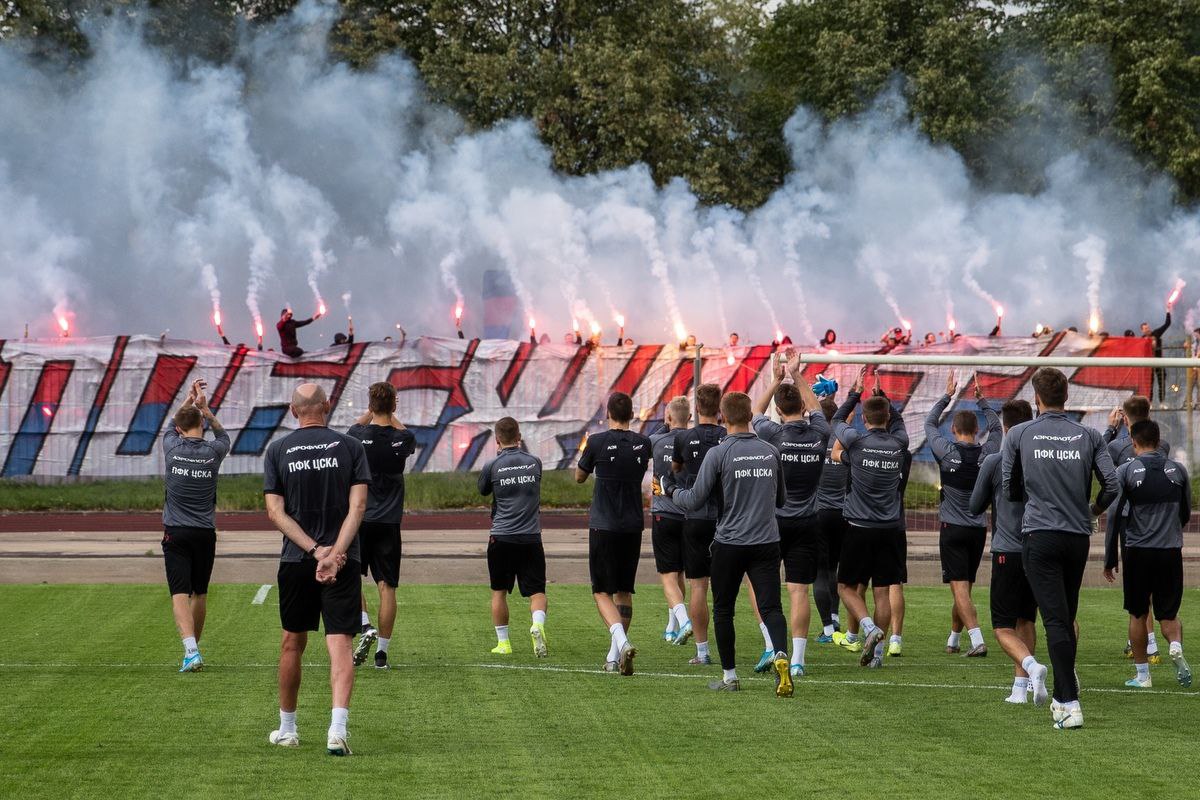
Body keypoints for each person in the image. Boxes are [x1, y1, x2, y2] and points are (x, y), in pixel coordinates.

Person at [1002, 367, 1118, 730]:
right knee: (1064, 617)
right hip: (1076, 537)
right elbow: (1112, 486)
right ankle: (1066, 687)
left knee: (1054, 620)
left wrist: (1036, 496)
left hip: (1040, 534)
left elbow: (1010, 488)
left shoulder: (1020, 433)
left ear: (1037, 398)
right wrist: (1092, 511)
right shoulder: (1089, 434)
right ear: (1066, 397)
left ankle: (1068, 702)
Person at [662, 392, 792, 696]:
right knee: (771, 606)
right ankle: (781, 655)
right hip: (766, 540)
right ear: (750, 415)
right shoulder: (770, 451)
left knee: (723, 609)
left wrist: (669, 490)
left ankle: (730, 676)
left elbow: (694, 499)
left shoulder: (719, 454)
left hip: (730, 542)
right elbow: (782, 500)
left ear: (723, 416)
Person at [264, 383, 371, 755]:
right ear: (327, 406)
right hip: (343, 560)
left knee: (292, 642)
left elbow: (275, 512)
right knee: (339, 642)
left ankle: (288, 728)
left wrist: (314, 551)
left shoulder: (277, 449)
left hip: (297, 560)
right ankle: (337, 730)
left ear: (294, 411)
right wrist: (335, 553)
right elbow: (358, 509)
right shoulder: (351, 447)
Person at [752, 354, 828, 677]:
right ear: (804, 408)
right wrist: (797, 376)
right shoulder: (819, 433)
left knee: (761, 586)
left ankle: (771, 645)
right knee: (799, 591)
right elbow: (820, 412)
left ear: (779, 412)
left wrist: (775, 378)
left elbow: (755, 412)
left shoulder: (773, 434)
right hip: (808, 522)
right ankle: (797, 660)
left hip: (775, 522)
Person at [970, 399, 1049, 705]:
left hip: (1006, 550)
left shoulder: (994, 461)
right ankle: (1020, 688)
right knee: (1026, 621)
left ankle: (1030, 667)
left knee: (1003, 626)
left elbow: (975, 506)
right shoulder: (1040, 462)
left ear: (1004, 427)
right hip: (1035, 546)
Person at [1105, 420, 1192, 689]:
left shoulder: (1127, 470)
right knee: (1168, 614)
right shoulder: (1178, 471)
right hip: (1169, 552)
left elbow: (1114, 515)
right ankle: (1175, 645)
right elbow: (1186, 511)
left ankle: (1143, 675)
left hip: (1139, 553)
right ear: (1158, 441)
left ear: (1134, 442)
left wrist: (1110, 558)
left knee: (1138, 614)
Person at [832, 370, 910, 668]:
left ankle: (869, 628)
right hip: (890, 529)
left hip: (859, 527)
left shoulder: (857, 444)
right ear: (887, 419)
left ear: (864, 420)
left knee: (845, 588)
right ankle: (877, 656)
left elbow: (837, 420)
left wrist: (855, 393)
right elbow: (900, 424)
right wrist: (885, 399)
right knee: (882, 592)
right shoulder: (898, 445)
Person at [924, 373, 1001, 658]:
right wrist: (982, 399)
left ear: (954, 429)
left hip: (953, 529)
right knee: (964, 587)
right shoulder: (989, 453)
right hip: (979, 529)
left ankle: (977, 638)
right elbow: (997, 429)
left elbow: (929, 423)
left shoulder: (946, 451)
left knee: (959, 588)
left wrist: (947, 396)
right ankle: (954, 638)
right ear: (976, 429)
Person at [575, 392, 652, 675]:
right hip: (632, 525)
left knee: (600, 591)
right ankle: (613, 656)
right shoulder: (644, 444)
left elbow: (579, 477)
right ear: (631, 414)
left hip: (604, 524)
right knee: (624, 591)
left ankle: (621, 641)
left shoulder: (596, 442)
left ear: (608, 413)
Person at [345, 382, 416, 670]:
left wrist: (371, 412)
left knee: (350, 579)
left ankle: (364, 625)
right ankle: (382, 655)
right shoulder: (404, 438)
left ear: (371, 404)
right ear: (395, 405)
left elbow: (355, 425)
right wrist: (388, 412)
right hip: (389, 522)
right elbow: (402, 432)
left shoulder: (357, 436)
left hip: (360, 519)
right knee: (387, 587)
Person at [161, 379, 230, 672]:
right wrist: (206, 409)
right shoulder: (214, 453)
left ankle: (191, 650)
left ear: (179, 429)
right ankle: (194, 651)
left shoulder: (172, 448)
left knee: (179, 592)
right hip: (205, 532)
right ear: (201, 426)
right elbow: (223, 435)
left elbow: (171, 425)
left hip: (176, 531)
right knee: (200, 592)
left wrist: (189, 401)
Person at [1102, 395, 1170, 662]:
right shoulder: (1162, 444)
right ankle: (1140, 640)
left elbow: (1100, 458)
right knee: (1149, 584)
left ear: (1124, 417)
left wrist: (1110, 428)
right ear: (1150, 411)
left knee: (1137, 588)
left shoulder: (1118, 447)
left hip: (1129, 519)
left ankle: (1148, 644)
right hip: (1158, 518)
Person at [478, 417, 548, 658]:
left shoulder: (492, 465)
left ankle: (504, 643)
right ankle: (537, 625)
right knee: (537, 591)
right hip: (530, 537)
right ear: (519, 437)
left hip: (502, 536)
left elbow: (483, 490)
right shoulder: (534, 463)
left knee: (499, 591)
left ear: (497, 440)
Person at [671, 384, 726, 666]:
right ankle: (766, 643)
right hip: (725, 519)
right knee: (728, 588)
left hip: (694, 517)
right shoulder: (728, 437)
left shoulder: (685, 437)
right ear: (719, 409)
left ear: (696, 408)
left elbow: (676, 469)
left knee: (698, 588)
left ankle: (703, 652)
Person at [648, 397, 693, 646]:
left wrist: (666, 425)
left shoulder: (656, 441)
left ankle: (682, 620)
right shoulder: (694, 441)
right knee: (681, 574)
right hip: (687, 513)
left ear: (667, 418)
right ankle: (672, 623)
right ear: (689, 418)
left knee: (668, 574)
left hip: (663, 514)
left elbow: (650, 440)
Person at [814, 397, 848, 645]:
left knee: (820, 572)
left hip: (819, 513)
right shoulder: (845, 441)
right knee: (835, 569)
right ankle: (835, 617)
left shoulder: (814, 440)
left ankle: (827, 629)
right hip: (844, 514)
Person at [1140, 308, 1172, 404]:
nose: (1148, 329)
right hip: (1148, 364)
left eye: (1148, 327)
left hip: (1159, 362)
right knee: (1149, 384)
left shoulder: (1156, 333)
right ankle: (1149, 403)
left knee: (1161, 382)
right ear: (1142, 330)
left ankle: (1162, 402)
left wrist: (1168, 311)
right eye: (1145, 328)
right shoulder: (1141, 340)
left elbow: (1167, 324)